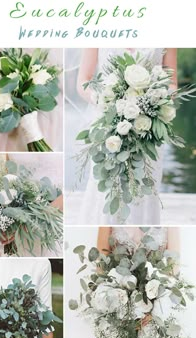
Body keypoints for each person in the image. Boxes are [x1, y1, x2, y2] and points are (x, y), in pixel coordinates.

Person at [76, 48, 177, 225]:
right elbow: (83, 81)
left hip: (148, 127)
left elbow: (173, 84)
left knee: (143, 187)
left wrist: (152, 101)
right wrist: (105, 100)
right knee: (106, 184)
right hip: (107, 124)